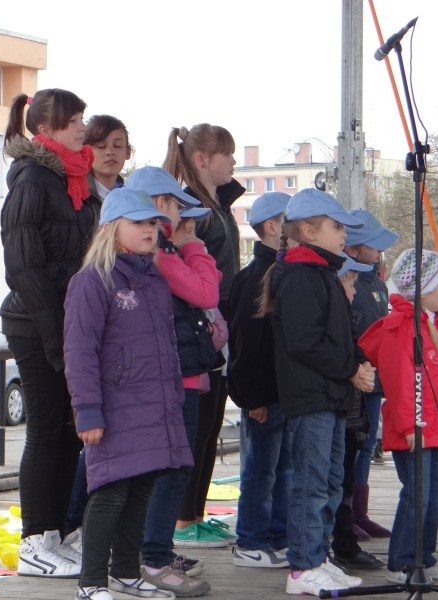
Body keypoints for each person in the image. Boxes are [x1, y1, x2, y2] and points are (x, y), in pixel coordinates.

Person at [64, 186, 192, 600]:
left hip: (152, 406)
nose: (150, 230)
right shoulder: (92, 281)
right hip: (115, 407)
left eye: (153, 222)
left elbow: (165, 346)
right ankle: (91, 583)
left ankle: (124, 572)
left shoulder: (153, 279)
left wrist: (172, 397)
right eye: (139, 222)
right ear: (111, 228)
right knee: (110, 492)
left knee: (142, 489)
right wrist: (87, 411)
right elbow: (79, 350)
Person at [0, 88, 97, 577]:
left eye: (82, 117)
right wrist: (56, 330)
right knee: (44, 428)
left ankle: (56, 532)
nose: (82, 126)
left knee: (68, 430)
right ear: (45, 128)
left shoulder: (74, 179)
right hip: (34, 321)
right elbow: (21, 265)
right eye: (73, 119)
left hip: (66, 321)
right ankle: (34, 539)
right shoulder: (34, 177)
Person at [259, 188, 375, 596]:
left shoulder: (321, 273)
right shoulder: (301, 275)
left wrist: (358, 361)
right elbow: (304, 340)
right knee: (310, 484)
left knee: (328, 482)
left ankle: (319, 556)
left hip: (331, 395)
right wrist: (350, 370)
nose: (344, 235)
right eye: (337, 227)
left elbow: (339, 335)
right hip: (311, 397)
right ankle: (303, 566)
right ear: (309, 230)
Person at [126, 166, 220, 597]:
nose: (186, 220)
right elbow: (207, 294)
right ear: (160, 206)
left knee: (175, 469)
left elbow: (207, 286)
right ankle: (154, 555)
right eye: (180, 209)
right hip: (173, 377)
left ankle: (154, 550)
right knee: (171, 470)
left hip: (181, 373)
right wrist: (194, 246)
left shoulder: (161, 253)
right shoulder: (161, 255)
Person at [360, 249, 438, 585]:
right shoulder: (400, 328)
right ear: (423, 289)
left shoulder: (434, 326)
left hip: (436, 428)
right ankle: (402, 561)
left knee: (435, 494)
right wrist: (410, 426)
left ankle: (424, 556)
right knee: (417, 494)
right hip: (415, 429)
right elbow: (398, 383)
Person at [163, 124, 246, 546]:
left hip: (219, 323)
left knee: (212, 424)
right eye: (226, 155)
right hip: (202, 324)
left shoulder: (219, 204)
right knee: (196, 427)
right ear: (201, 160)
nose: (233, 162)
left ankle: (194, 511)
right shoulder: (193, 206)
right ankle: (181, 519)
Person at [64, 114, 133, 553]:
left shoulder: (133, 198)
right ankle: (72, 525)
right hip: (90, 316)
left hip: (127, 327)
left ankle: (121, 542)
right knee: (90, 440)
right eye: (101, 143)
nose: (110, 151)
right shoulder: (75, 191)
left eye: (119, 144)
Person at [227, 192, 292, 569]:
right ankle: (251, 538)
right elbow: (246, 344)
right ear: (272, 227)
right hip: (264, 396)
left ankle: (278, 535)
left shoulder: (282, 274)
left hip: (283, 392)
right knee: (259, 470)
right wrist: (252, 398)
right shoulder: (254, 278)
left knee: (283, 468)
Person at [343, 210, 398, 541]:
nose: (379, 252)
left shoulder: (377, 282)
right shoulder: (347, 281)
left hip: (376, 380)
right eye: (373, 246)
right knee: (353, 446)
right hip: (355, 379)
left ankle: (360, 512)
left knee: (367, 447)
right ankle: (347, 512)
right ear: (353, 247)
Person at [329, 256, 385, 572]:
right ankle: (337, 544)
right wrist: (355, 368)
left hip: (349, 408)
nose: (354, 290)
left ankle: (346, 538)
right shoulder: (334, 316)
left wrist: (363, 363)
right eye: (350, 283)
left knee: (346, 476)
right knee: (335, 479)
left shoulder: (346, 315)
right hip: (336, 406)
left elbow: (355, 347)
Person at [85, 115, 132, 206]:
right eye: (101, 146)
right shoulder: (74, 194)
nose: (110, 152)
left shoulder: (132, 200)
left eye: (117, 145)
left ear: (128, 152)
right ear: (85, 152)